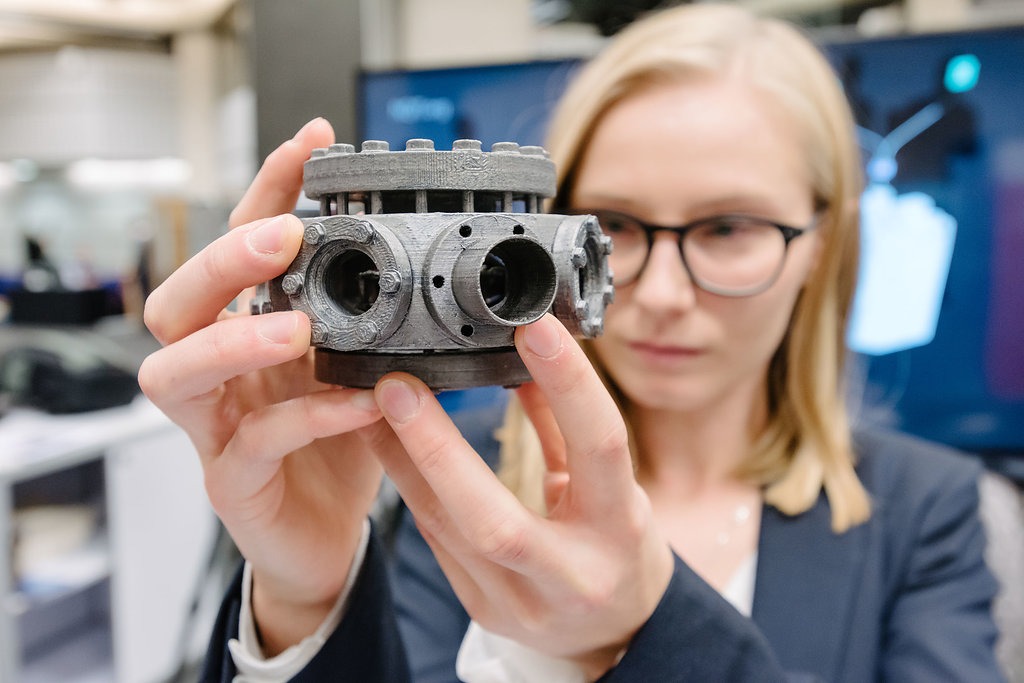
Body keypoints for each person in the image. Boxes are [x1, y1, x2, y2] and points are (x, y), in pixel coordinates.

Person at [139, 4, 1004, 682]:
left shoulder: (930, 513)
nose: (658, 294)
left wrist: (643, 629)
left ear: (821, 245)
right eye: (619, 225)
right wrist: (307, 595)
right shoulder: (450, 483)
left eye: (730, 228)